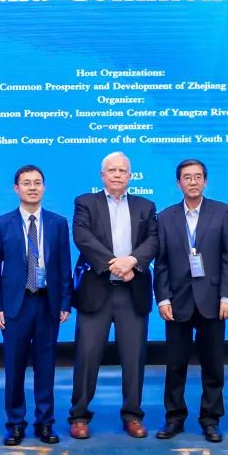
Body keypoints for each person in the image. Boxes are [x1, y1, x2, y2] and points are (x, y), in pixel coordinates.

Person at [69, 152, 159, 440]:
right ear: (102, 176)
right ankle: (79, 416)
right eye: (112, 170)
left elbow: (153, 241)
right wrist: (114, 264)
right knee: (87, 355)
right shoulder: (86, 203)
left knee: (134, 357)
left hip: (132, 292)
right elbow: (83, 237)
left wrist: (132, 261)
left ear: (130, 176)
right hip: (96, 291)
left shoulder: (146, 206)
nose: (118, 175)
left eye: (122, 171)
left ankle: (132, 415)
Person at [0, 165, 73, 446]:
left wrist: (65, 301)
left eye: (37, 182)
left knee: (46, 367)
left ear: (44, 187)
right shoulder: (1, 223)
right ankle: (15, 424)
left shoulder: (58, 223)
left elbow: (64, 266)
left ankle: (45, 423)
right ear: (16, 188)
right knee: (14, 368)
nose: (32, 187)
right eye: (26, 183)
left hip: (47, 303)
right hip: (15, 305)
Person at [154, 159, 228, 443]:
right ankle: (174, 418)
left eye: (198, 176)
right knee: (175, 364)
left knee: (213, 364)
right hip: (177, 301)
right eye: (187, 177)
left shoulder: (222, 212)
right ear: (178, 183)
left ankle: (210, 419)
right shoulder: (165, 217)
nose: (193, 181)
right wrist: (163, 298)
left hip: (213, 300)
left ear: (205, 181)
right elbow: (161, 263)